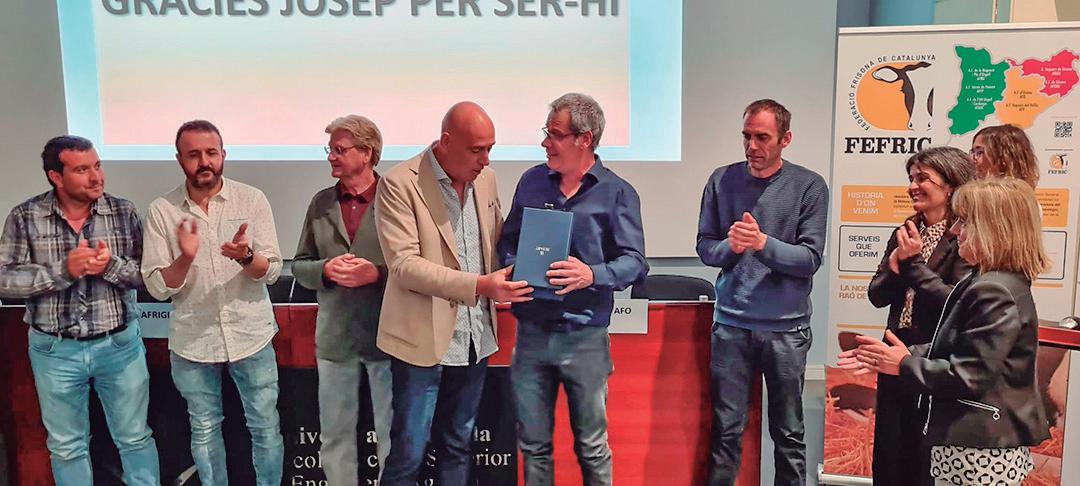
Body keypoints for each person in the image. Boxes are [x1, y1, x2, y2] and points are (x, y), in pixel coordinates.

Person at [841, 177, 1051, 486]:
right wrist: (894, 356)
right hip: (973, 444)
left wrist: (904, 364)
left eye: (964, 221)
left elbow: (971, 375)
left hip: (978, 449)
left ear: (992, 228)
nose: (954, 230)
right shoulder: (987, 280)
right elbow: (959, 346)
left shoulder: (993, 289)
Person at [373, 102, 533, 486]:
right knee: (408, 454)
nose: (485, 159)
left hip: (476, 336)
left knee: (458, 445)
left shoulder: (487, 179)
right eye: (476, 149)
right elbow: (404, 266)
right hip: (421, 341)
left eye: (490, 148)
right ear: (446, 141)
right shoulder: (399, 183)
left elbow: (495, 242)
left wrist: (532, 262)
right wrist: (480, 286)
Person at [497, 93, 648, 485]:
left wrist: (590, 274)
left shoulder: (617, 193)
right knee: (533, 446)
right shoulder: (532, 182)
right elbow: (508, 241)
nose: (545, 142)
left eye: (554, 134)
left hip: (585, 336)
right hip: (531, 333)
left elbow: (635, 262)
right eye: (546, 133)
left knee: (591, 446)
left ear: (584, 139)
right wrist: (513, 268)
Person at [0, 136, 159, 485]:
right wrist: (62, 271)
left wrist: (110, 266)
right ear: (56, 176)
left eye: (97, 166)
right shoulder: (25, 216)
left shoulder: (123, 211)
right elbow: (4, 279)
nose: (96, 177)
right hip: (54, 350)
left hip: (120, 346)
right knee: (67, 447)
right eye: (82, 169)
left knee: (135, 438)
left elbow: (148, 277)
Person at [141, 120, 283, 486]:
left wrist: (246, 257)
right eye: (193, 154)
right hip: (194, 340)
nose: (204, 161)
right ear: (179, 159)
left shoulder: (251, 199)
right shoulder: (162, 210)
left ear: (223, 155)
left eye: (211, 153)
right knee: (204, 429)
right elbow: (157, 287)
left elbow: (271, 270)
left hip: (251, 334)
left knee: (265, 427)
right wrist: (185, 258)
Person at [696, 99, 829, 486]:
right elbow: (706, 247)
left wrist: (762, 243)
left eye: (762, 137)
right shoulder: (722, 180)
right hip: (732, 325)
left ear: (785, 139)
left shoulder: (809, 186)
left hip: (786, 329)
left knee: (788, 433)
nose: (752, 146)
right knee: (726, 429)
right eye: (747, 136)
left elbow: (809, 258)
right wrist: (732, 247)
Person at [866, 146, 976, 486]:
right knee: (890, 451)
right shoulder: (905, 231)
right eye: (911, 178)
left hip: (936, 357)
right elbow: (876, 295)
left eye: (923, 178)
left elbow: (955, 304)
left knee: (924, 455)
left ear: (951, 185)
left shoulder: (966, 237)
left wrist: (912, 265)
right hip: (894, 351)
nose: (913, 186)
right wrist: (898, 266)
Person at [292, 115, 393, 484]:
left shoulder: (396, 199)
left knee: (392, 437)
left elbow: (417, 266)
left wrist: (377, 274)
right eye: (330, 149)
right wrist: (326, 269)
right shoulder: (321, 203)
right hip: (336, 339)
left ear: (366, 153)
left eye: (339, 149)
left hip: (389, 337)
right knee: (335, 437)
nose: (331, 156)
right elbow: (300, 265)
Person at [970, 124, 1039, 187]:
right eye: (973, 152)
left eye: (980, 152)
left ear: (1005, 158)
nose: (972, 159)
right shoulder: (971, 193)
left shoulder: (1022, 195)